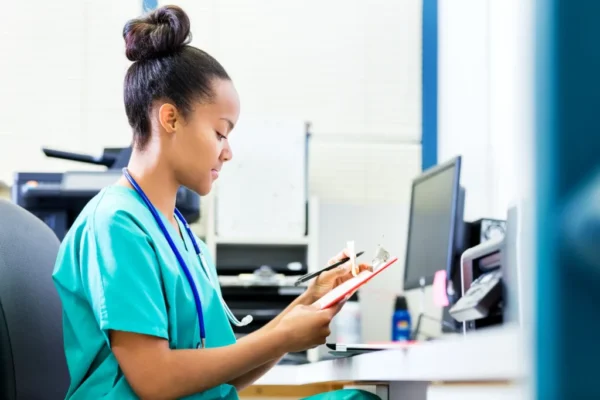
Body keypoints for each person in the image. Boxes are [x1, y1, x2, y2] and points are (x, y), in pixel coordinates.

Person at [52, 5, 381, 400]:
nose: (227, 153)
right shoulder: (116, 225)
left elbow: (217, 375)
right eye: (220, 133)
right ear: (170, 119)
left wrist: (311, 301)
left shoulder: (185, 239)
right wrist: (285, 335)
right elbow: (156, 381)